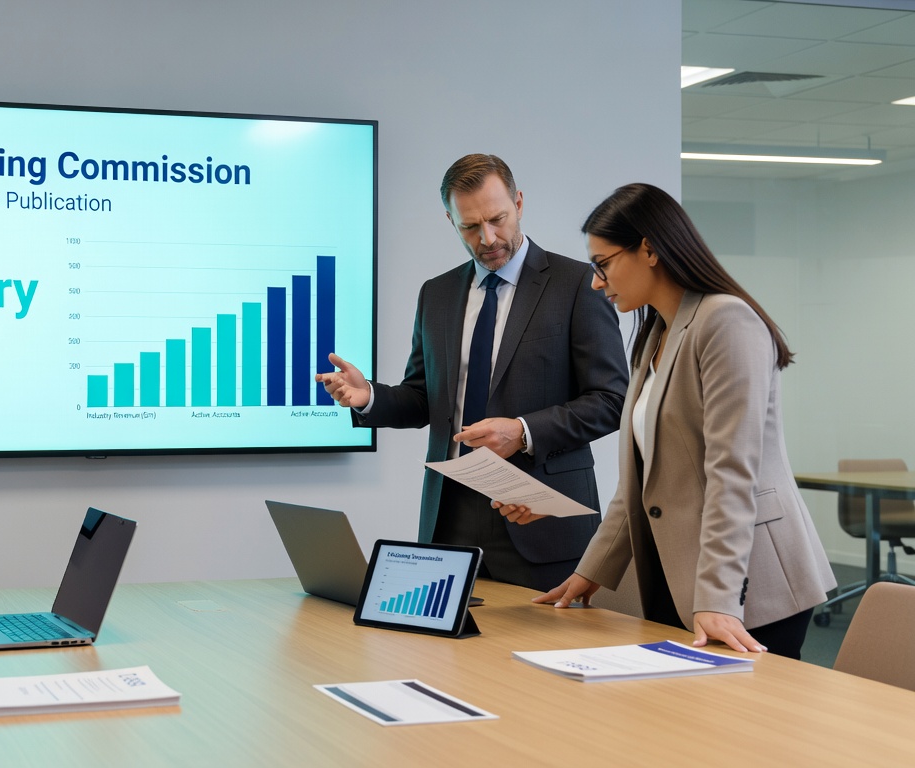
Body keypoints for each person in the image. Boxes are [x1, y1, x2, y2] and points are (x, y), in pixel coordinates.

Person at [504, 182, 837, 659]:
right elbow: (639, 484)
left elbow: (732, 473)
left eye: (603, 264)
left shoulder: (726, 322)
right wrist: (590, 570)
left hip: (751, 587)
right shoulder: (656, 332)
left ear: (649, 249)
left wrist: (720, 597)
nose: (596, 281)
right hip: (678, 574)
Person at [317, 154, 628, 591]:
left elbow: (612, 401)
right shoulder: (438, 294)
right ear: (450, 219)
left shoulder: (578, 285)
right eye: (469, 227)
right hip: (450, 518)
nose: (488, 238)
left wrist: (522, 431)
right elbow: (426, 396)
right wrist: (368, 395)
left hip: (541, 518)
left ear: (518, 202)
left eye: (498, 219)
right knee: (444, 658)